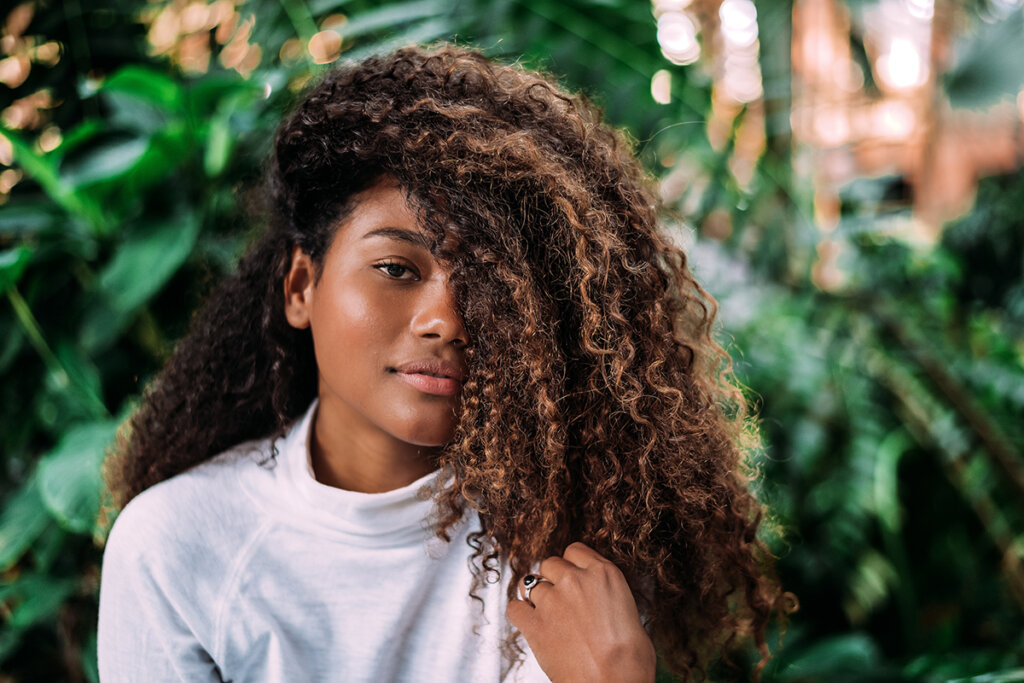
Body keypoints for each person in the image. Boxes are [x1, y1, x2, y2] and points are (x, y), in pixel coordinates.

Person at [98, 44, 787, 682]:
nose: (448, 320)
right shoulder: (177, 546)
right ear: (301, 287)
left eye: (489, 286)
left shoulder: (569, 552)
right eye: (397, 267)